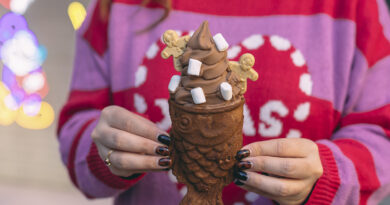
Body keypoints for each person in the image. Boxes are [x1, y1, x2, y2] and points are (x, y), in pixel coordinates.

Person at [57, 0, 390, 204]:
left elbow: (381, 137)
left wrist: (330, 176)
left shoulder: (355, 8)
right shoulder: (117, 5)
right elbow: (78, 126)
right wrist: (104, 153)